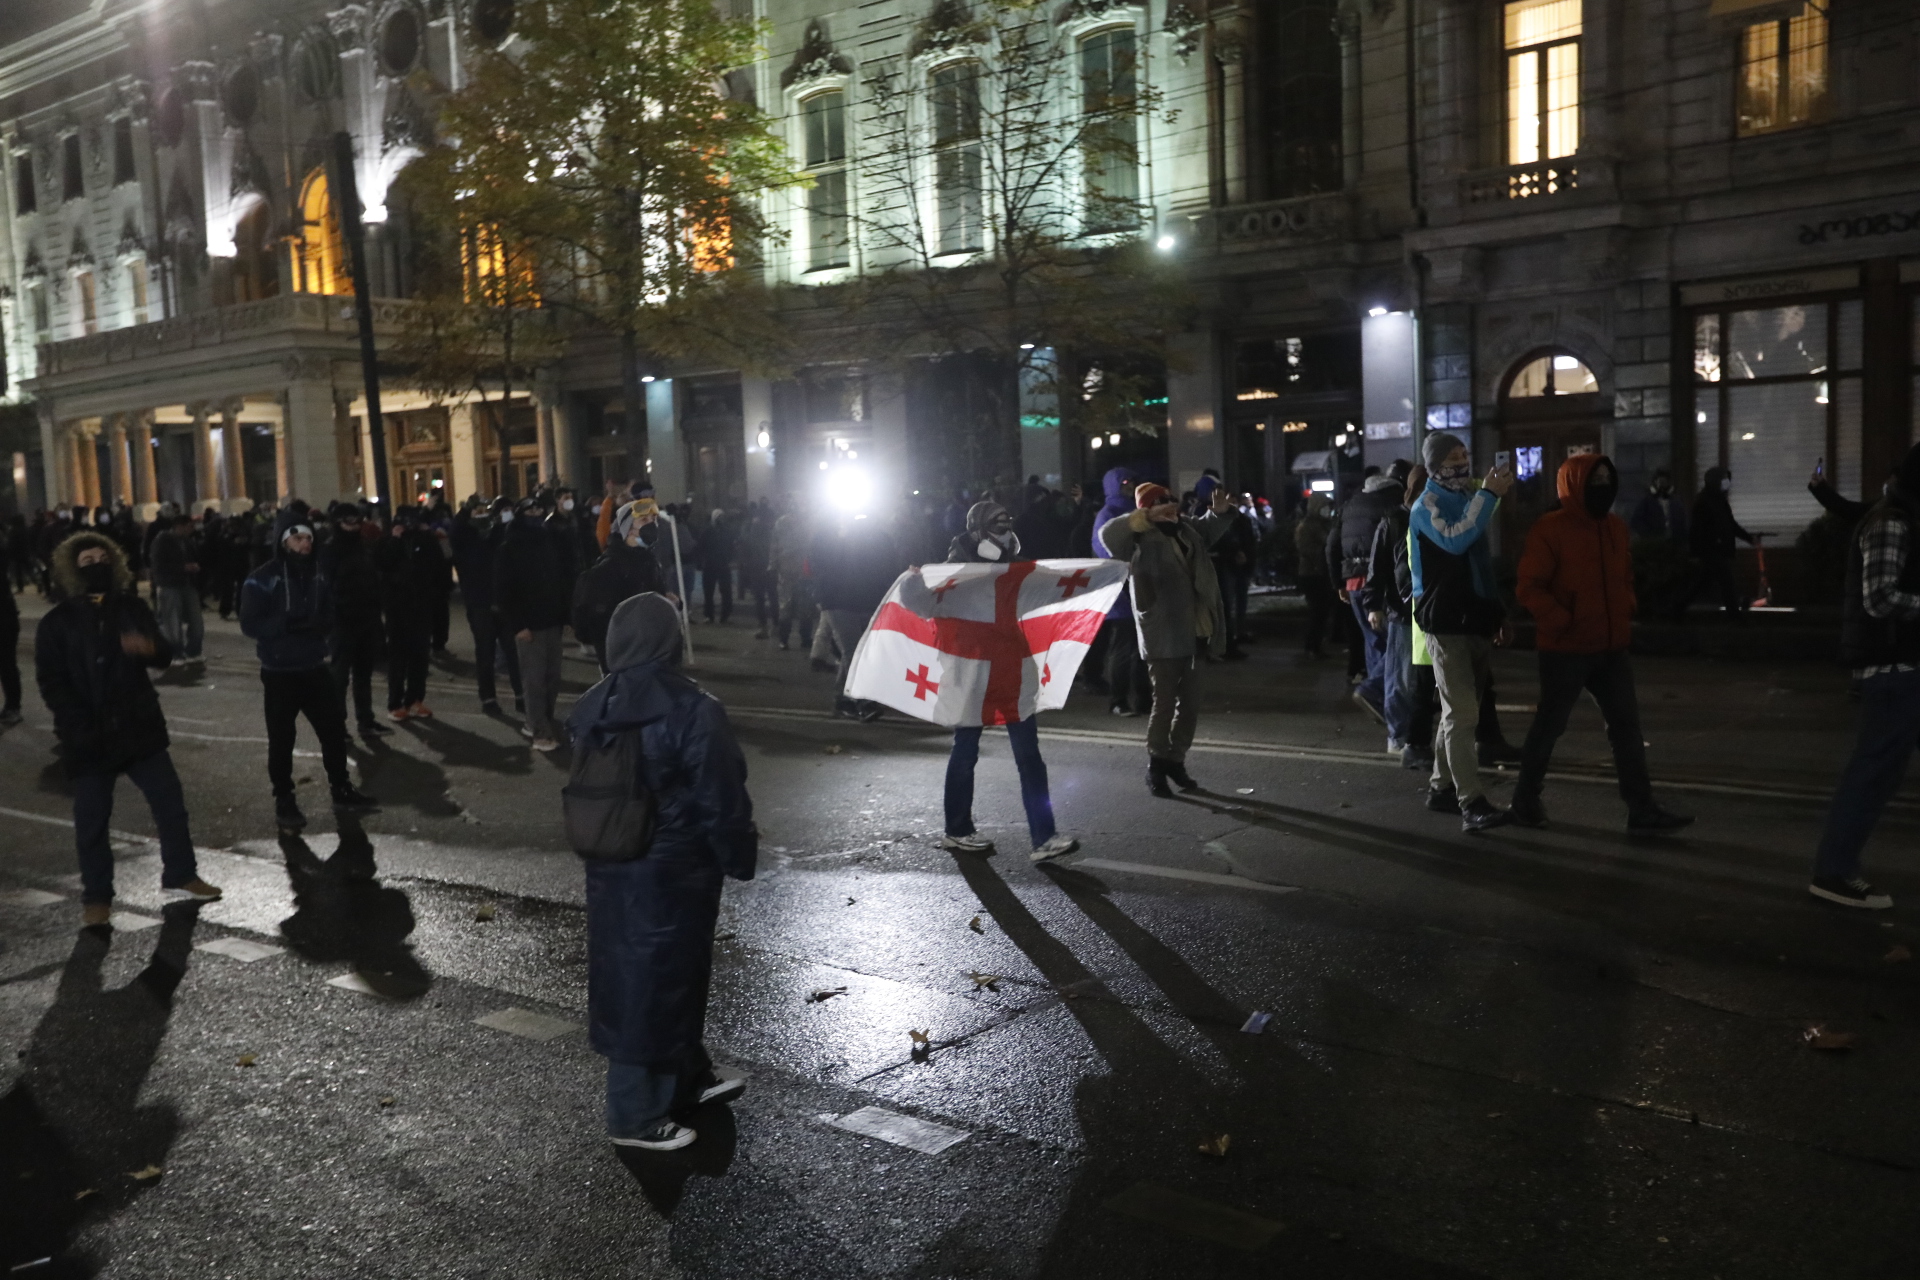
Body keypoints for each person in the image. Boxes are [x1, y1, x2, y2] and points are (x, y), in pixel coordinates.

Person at [568, 592, 755, 1150]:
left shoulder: (593, 705)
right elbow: (720, 794)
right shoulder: (693, 708)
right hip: (676, 868)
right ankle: (633, 1115)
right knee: (660, 981)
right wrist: (736, 854)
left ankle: (685, 1078)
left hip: (613, 862)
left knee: (640, 975)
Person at [35, 532, 222, 926]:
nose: (97, 564)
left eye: (103, 557)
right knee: (92, 822)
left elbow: (165, 655)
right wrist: (76, 724)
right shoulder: (57, 622)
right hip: (89, 735)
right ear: (73, 568)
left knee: (170, 805)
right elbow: (52, 682)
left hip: (138, 728)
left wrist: (150, 647)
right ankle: (97, 898)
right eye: (87, 560)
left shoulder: (131, 607)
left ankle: (181, 873)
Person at [1509, 454, 1692, 835]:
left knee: (1627, 728)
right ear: (1575, 484)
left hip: (1610, 647)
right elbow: (1530, 587)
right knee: (1550, 726)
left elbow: (1623, 576)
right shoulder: (1551, 529)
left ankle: (1641, 810)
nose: (1603, 486)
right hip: (1566, 649)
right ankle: (1525, 800)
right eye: (1595, 480)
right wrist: (1563, 619)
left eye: (1608, 478)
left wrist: (1626, 605)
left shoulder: (1614, 528)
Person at [934, 501, 1081, 863]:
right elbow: (926, 602)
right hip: (973, 672)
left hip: (1011, 669)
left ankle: (1044, 837)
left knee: (1029, 756)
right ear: (977, 531)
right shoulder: (955, 570)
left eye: (1007, 521)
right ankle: (957, 829)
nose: (1005, 528)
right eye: (996, 523)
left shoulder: (1014, 567)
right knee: (965, 750)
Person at [1807, 442, 1920, 910]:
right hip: (1894, 667)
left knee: (1874, 771)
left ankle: (1835, 868)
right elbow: (1880, 598)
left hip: (1906, 664)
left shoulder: (1899, 516)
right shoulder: (1891, 521)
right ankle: (1833, 871)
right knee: (1872, 773)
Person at [239, 513, 379, 832]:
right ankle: (284, 799)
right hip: (279, 671)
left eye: (308, 539)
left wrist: (322, 628)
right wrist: (284, 626)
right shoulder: (263, 577)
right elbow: (249, 622)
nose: (304, 544)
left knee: (332, 731)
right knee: (282, 738)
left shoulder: (317, 574)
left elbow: (330, 608)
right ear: (283, 541)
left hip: (314, 666)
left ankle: (341, 788)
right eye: (297, 538)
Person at [1100, 481, 1234, 796]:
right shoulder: (1135, 537)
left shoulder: (1186, 529)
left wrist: (1220, 511)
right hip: (1162, 629)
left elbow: (1209, 530)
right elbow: (1107, 535)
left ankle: (1176, 760)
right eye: (1161, 502)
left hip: (1197, 627)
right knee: (1163, 702)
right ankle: (1156, 764)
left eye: (1171, 500)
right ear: (1146, 508)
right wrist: (1142, 516)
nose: (1170, 506)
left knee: (1190, 703)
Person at [1408, 432, 1514, 832]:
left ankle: (1441, 788)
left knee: (1457, 713)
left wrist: (1498, 614)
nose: (1461, 462)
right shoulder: (1427, 505)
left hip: (1475, 621)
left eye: (1465, 454)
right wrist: (1488, 496)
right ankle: (1471, 801)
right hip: (1446, 623)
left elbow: (1481, 566)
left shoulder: (1470, 498)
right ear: (1435, 466)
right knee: (1464, 714)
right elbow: (1455, 540)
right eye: (1453, 457)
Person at [1330, 460, 1411, 724]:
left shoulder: (1352, 503)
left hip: (1353, 584)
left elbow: (1331, 544)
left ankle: (1382, 702)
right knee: (1398, 645)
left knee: (1374, 643)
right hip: (1382, 583)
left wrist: (1339, 583)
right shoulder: (1397, 501)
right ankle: (1376, 691)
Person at [495, 497, 575, 749]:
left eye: (539, 509)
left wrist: (565, 615)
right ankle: (539, 729)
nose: (536, 514)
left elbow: (559, 580)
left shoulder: (548, 541)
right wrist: (518, 625)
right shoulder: (509, 547)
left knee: (552, 678)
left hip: (551, 620)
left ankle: (540, 720)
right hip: (530, 625)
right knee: (534, 681)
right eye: (530, 510)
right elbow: (504, 590)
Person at [810, 511, 901, 719]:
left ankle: (843, 699)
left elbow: (888, 568)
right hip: (839, 601)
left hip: (866, 601)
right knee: (853, 651)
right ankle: (864, 699)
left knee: (858, 651)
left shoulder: (880, 539)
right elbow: (820, 565)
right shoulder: (830, 537)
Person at [1363, 468, 1422, 760]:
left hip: (1423, 609)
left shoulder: (1418, 517)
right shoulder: (1395, 521)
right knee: (1401, 677)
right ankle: (1399, 735)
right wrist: (1374, 605)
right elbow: (1379, 568)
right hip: (1403, 610)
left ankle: (1411, 734)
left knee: (1412, 677)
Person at [320, 504, 392, 737]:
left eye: (357, 521)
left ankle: (366, 720)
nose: (354, 526)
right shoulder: (330, 550)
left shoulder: (362, 547)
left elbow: (373, 579)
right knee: (339, 677)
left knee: (363, 674)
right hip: (342, 621)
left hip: (366, 618)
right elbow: (326, 587)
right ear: (338, 523)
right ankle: (336, 725)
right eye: (349, 521)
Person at [574, 497, 667, 672]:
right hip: (623, 657)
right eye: (644, 520)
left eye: (654, 520)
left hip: (649, 651)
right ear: (628, 528)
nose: (652, 525)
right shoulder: (609, 567)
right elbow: (598, 620)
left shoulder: (649, 562)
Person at [451, 497, 524, 713]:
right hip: (479, 603)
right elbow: (456, 532)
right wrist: (465, 511)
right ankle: (488, 698)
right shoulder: (465, 537)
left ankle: (520, 695)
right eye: (477, 511)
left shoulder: (496, 534)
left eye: (485, 510)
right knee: (485, 653)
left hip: (502, 601)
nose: (482, 514)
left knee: (513, 651)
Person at [1090, 466, 1148, 715]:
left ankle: (1145, 699)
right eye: (1125, 481)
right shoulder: (1108, 514)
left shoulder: (1134, 512)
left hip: (1142, 587)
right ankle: (1119, 700)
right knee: (1125, 647)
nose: (1130, 485)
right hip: (1121, 589)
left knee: (1144, 648)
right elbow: (1107, 552)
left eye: (1133, 480)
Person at [376, 507, 440, 721]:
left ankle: (415, 699)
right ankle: (395, 703)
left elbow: (438, 565)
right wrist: (395, 540)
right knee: (398, 659)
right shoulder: (387, 542)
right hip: (397, 609)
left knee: (420, 657)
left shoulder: (425, 541)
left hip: (421, 606)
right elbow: (383, 564)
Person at [1689, 466, 1753, 615]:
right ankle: (1735, 615)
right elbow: (1698, 530)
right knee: (1727, 582)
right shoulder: (1704, 502)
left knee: (1701, 583)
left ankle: (1676, 609)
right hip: (1712, 550)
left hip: (1718, 550)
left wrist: (1749, 538)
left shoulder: (1719, 501)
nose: (1727, 485)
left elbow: (1730, 524)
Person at [148, 512, 204, 668]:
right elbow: (158, 566)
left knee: (196, 620)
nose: (192, 529)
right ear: (180, 526)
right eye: (189, 526)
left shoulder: (187, 541)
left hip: (187, 584)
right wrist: (183, 567)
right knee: (172, 621)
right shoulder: (162, 540)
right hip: (169, 585)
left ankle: (193, 650)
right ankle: (175, 652)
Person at [1294, 494, 1336, 659]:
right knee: (1317, 612)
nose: (1328, 510)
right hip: (1311, 574)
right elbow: (1306, 550)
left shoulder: (1323, 524)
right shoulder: (1307, 526)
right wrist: (1325, 553)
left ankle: (1316, 646)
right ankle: (1312, 647)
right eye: (1325, 506)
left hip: (1320, 573)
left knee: (1322, 612)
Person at [769, 497, 814, 651]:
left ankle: (792, 639)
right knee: (796, 609)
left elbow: (774, 547)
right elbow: (775, 546)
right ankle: (797, 638)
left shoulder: (787, 523)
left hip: (796, 572)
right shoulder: (800, 523)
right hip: (794, 572)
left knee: (795, 609)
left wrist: (773, 565)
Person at [1629, 468, 1690, 545]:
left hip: (1674, 545)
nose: (1662, 486)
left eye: (1664, 482)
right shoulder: (1647, 502)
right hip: (1654, 545)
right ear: (1655, 483)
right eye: (1660, 482)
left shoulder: (1677, 503)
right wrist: (1649, 535)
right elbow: (1635, 522)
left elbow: (1683, 524)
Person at [698, 507, 736, 623]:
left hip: (722, 564)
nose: (721, 519)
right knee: (708, 591)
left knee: (726, 591)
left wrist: (729, 558)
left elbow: (731, 547)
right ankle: (709, 615)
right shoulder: (707, 531)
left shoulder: (727, 531)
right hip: (710, 564)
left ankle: (725, 615)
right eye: (719, 517)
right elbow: (701, 547)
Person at [0, 539, 18, 725]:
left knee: (7, 663)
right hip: (6, 613)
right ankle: (13, 706)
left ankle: (13, 706)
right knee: (7, 664)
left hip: (4, 615)